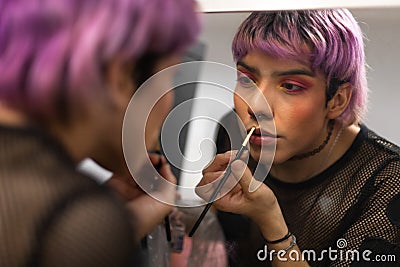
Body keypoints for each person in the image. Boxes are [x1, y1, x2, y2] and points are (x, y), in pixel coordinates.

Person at [0, 0, 200, 266]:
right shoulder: (70, 215)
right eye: (170, 78)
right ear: (122, 77)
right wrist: (97, 223)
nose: (170, 103)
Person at [196, 9, 400, 266]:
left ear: (337, 100)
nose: (257, 108)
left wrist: (272, 222)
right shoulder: (231, 132)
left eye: (290, 86)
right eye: (247, 80)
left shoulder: (389, 182)